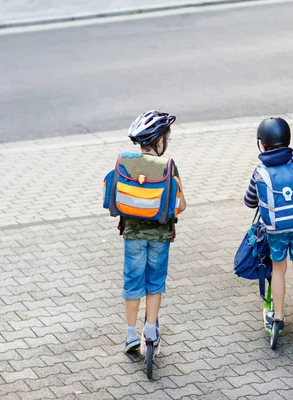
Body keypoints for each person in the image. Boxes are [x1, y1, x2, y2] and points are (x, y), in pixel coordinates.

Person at [244, 117, 293, 348]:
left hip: (276, 230)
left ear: (263, 143)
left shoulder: (260, 171)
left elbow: (249, 201)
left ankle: (278, 317)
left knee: (278, 270)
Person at [121, 110, 186, 355]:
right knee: (154, 284)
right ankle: (150, 331)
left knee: (132, 282)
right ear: (159, 141)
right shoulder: (168, 167)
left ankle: (130, 335)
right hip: (160, 236)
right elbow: (180, 205)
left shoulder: (127, 163)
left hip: (133, 235)